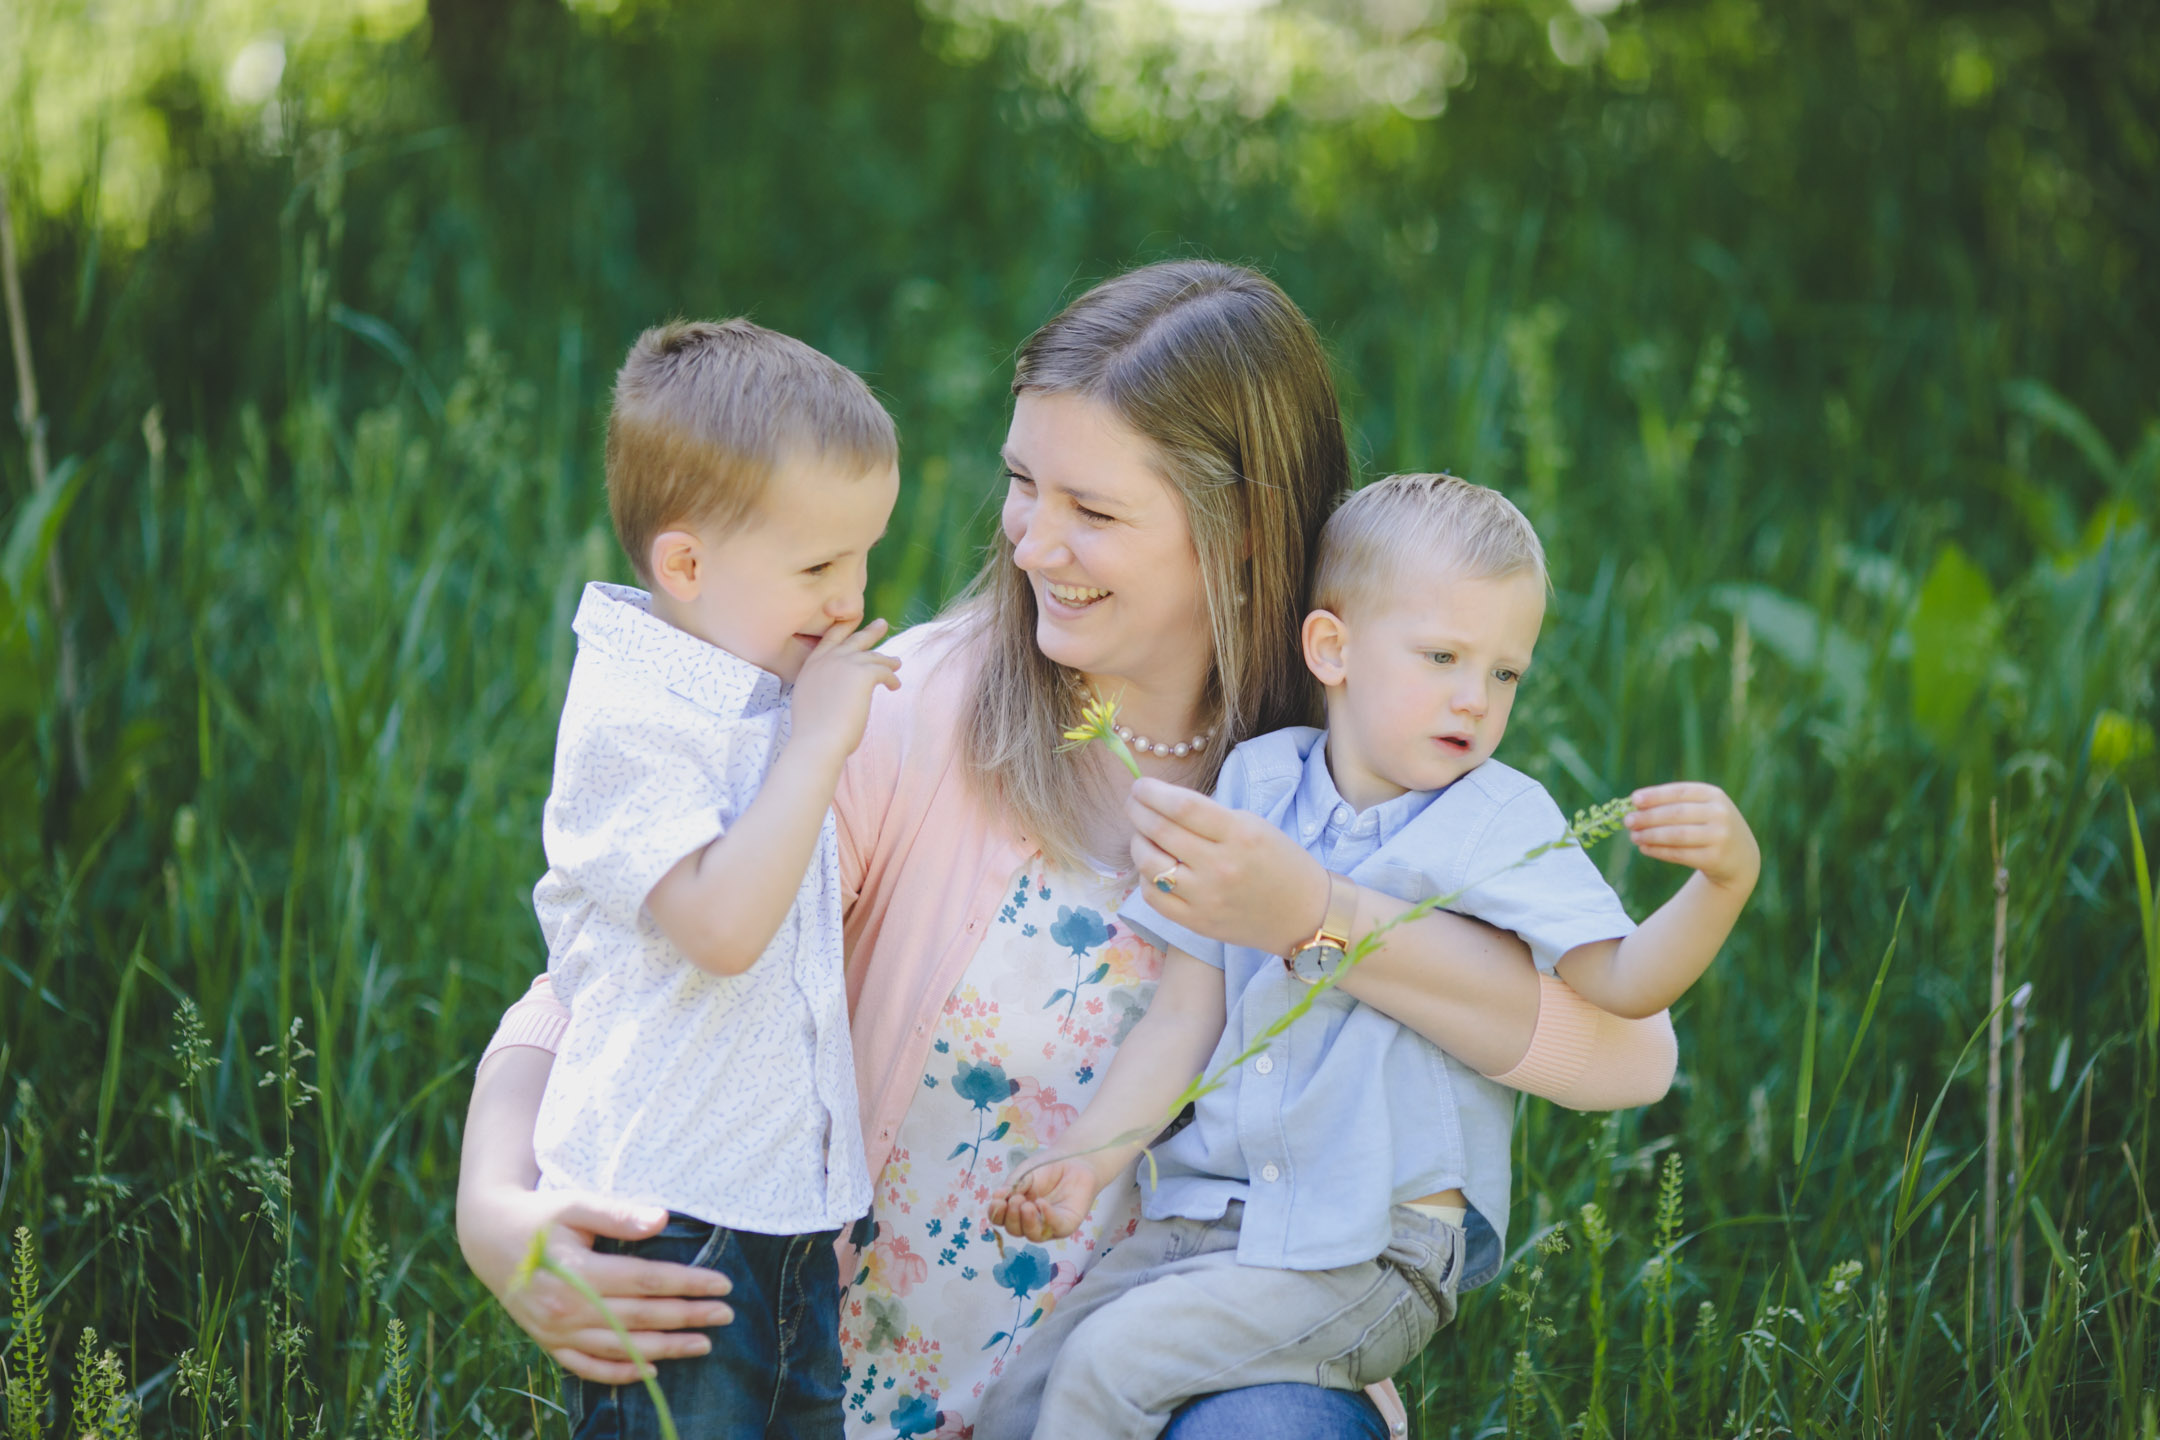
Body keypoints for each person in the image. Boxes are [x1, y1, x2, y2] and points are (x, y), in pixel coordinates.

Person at [456, 261, 1680, 1440]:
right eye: (1023, 483)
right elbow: (620, 965)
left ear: (1242, 533)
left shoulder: (1361, 770)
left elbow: (1624, 1053)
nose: (1034, 542)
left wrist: (1313, 913)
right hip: (856, 1388)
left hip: (1199, 1362)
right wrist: (495, 1210)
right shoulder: (904, 714)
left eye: (1093, 511)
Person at [976, 474, 1759, 1439]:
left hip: (1371, 1248)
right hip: (1202, 1227)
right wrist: (1092, 1160)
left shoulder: (1494, 818)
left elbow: (1626, 984)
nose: (1475, 699)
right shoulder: (1258, 781)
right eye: (1442, 656)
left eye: (1505, 672)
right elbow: (1188, 1013)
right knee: (1019, 1399)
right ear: (1332, 648)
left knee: (1109, 1368)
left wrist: (1722, 884)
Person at [530, 318, 903, 1438]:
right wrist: (819, 744)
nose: (850, 596)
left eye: (863, 556)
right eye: (818, 566)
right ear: (686, 564)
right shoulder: (631, 718)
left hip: (785, 1215)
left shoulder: (749, 673)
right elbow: (723, 926)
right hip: (672, 1221)